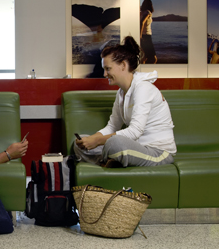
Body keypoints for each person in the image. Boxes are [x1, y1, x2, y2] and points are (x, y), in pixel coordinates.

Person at [74, 35, 176, 168]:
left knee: (115, 144)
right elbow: (112, 126)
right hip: (136, 149)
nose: (105, 74)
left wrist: (97, 141)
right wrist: (90, 140)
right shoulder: (121, 93)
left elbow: (134, 131)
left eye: (108, 69)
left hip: (158, 153)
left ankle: (109, 158)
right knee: (78, 144)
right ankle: (109, 160)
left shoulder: (143, 88)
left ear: (123, 65)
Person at [140, 0, 157, 64]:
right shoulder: (148, 12)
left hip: (143, 36)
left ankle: (143, 72)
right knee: (153, 59)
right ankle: (151, 73)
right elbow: (142, 22)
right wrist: (140, 36)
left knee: (144, 57)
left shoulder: (140, 13)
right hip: (147, 36)